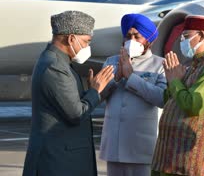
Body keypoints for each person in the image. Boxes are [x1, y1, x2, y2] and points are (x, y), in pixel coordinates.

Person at [22, 10, 114, 176]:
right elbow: (76, 114)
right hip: (58, 162)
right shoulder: (55, 67)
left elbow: (73, 102)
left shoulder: (60, 63)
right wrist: (94, 90)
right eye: (86, 41)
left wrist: (102, 90)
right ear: (71, 39)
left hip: (63, 159)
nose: (87, 47)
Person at [151, 15, 204, 176]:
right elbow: (169, 100)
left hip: (194, 164)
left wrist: (175, 81)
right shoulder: (194, 64)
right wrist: (173, 83)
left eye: (186, 37)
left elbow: (194, 105)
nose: (182, 42)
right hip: (170, 161)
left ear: (202, 35)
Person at [99, 13, 167, 176]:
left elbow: (162, 99)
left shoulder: (159, 64)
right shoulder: (111, 62)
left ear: (149, 40)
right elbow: (99, 96)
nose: (132, 40)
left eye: (137, 36)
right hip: (114, 145)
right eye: (128, 36)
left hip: (140, 148)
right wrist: (116, 78)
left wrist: (131, 77)